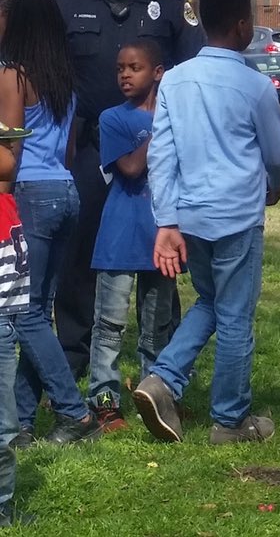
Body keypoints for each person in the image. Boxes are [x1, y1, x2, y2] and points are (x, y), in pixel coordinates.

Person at [132, 0, 280, 445]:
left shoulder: (174, 80)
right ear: (243, 25)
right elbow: (279, 156)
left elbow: (161, 155)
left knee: (211, 302)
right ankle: (229, 420)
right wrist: (273, 187)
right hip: (238, 215)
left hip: (190, 215)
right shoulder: (255, 86)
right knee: (236, 315)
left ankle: (162, 378)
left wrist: (166, 221)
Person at [55, 0, 205, 379]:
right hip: (90, 149)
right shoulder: (68, 1)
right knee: (80, 253)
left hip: (154, 151)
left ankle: (164, 367)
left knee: (161, 250)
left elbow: (194, 71)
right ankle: (76, 359)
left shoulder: (168, 5)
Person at [0, 0, 100, 446]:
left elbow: (10, 152)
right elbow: (68, 151)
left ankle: (75, 414)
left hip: (29, 196)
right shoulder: (64, 82)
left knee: (22, 314)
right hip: (65, 192)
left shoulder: (12, 77)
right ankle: (21, 422)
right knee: (37, 310)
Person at [86, 39, 175, 433]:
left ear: (157, 72)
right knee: (109, 325)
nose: (124, 74)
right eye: (120, 68)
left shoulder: (177, 115)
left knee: (158, 325)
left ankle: (154, 396)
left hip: (163, 238)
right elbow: (132, 168)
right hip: (120, 236)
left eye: (134, 67)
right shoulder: (113, 119)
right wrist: (163, 131)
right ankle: (104, 400)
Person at [0, 128, 33, 527]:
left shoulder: (7, 198)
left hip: (6, 326)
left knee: (5, 428)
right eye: (6, 145)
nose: (14, 149)